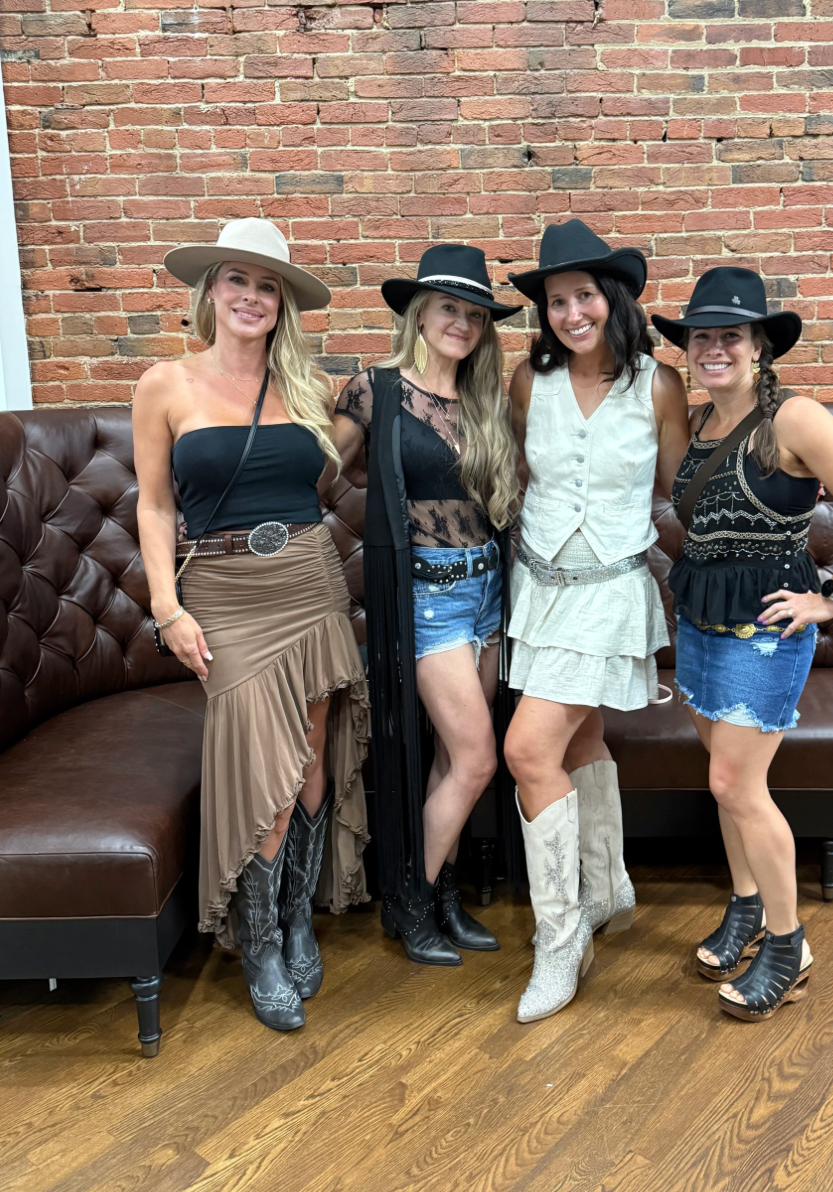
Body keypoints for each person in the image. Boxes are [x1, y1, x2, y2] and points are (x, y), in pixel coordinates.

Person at [134, 218, 370, 1032]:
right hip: (224, 592)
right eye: (237, 279)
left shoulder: (307, 385)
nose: (251, 296)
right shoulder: (165, 384)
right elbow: (154, 505)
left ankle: (299, 914)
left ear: (283, 304)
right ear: (211, 291)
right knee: (265, 762)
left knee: (309, 751)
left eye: (268, 286)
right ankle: (259, 940)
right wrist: (166, 608)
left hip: (308, 578)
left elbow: (344, 461)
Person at [652, 266, 833, 1021]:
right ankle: (747, 906)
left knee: (736, 784)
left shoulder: (794, 417)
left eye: (731, 335)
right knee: (723, 780)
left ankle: (789, 948)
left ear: (760, 345)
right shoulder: (698, 422)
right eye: (702, 336)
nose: (714, 348)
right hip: (699, 616)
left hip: (765, 625)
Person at [503, 219, 690, 1023]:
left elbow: (683, 489)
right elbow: (522, 476)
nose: (571, 313)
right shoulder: (527, 382)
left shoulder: (658, 385)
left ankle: (561, 938)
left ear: (613, 298)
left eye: (584, 296)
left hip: (612, 590)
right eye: (556, 301)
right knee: (578, 741)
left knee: (526, 751)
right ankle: (607, 885)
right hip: (539, 586)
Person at [334, 244, 523, 966]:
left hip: (488, 592)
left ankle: (441, 894)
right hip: (428, 597)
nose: (463, 324)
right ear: (419, 313)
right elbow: (320, 477)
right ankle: (407, 900)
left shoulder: (482, 399)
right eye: (449, 308)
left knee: (451, 755)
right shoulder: (374, 390)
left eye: (475, 314)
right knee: (477, 759)